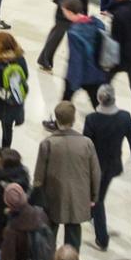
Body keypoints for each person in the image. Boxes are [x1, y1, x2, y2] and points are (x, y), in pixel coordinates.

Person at [34, 100, 100, 251]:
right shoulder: (87, 143)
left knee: (49, 235)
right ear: (74, 119)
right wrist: (93, 197)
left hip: (53, 197)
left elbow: (39, 176)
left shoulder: (48, 143)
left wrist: (38, 196)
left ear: (56, 120)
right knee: (74, 235)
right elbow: (95, 172)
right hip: (78, 197)